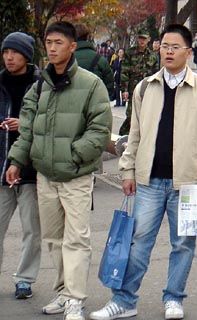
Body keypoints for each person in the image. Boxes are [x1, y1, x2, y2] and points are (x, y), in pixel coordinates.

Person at [90, 24, 197, 320]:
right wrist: (126, 171)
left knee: (183, 245)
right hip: (148, 181)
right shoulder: (144, 87)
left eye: (175, 47)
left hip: (188, 182)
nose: (169, 52)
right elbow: (134, 134)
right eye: (164, 46)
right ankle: (124, 300)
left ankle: (174, 298)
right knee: (137, 244)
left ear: (189, 52)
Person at [6, 21, 112, 320]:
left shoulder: (91, 84)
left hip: (76, 176)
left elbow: (100, 129)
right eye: (48, 43)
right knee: (53, 238)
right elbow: (27, 128)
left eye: (58, 43)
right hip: (45, 175)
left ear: (72, 46)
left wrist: (74, 156)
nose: (52, 48)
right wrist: (17, 160)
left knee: (76, 238)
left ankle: (76, 299)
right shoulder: (39, 85)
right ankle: (64, 293)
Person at [0, 32, 41, 300]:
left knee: (32, 230)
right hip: (1, 167)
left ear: (27, 55)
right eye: (5, 52)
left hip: (30, 170)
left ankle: (25, 279)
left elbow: (52, 123)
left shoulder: (42, 84)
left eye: (14, 52)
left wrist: (23, 124)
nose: (9, 57)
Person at [118, 29, 159, 135]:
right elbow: (124, 72)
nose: (142, 41)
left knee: (146, 115)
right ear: (137, 38)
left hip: (148, 90)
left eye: (144, 39)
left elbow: (156, 74)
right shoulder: (130, 53)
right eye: (140, 38)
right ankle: (123, 135)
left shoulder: (152, 56)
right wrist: (124, 89)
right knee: (131, 115)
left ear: (148, 40)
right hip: (133, 89)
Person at [74, 23, 114, 97]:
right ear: (87, 37)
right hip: (96, 101)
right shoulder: (100, 60)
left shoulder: (66, 59)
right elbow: (109, 84)